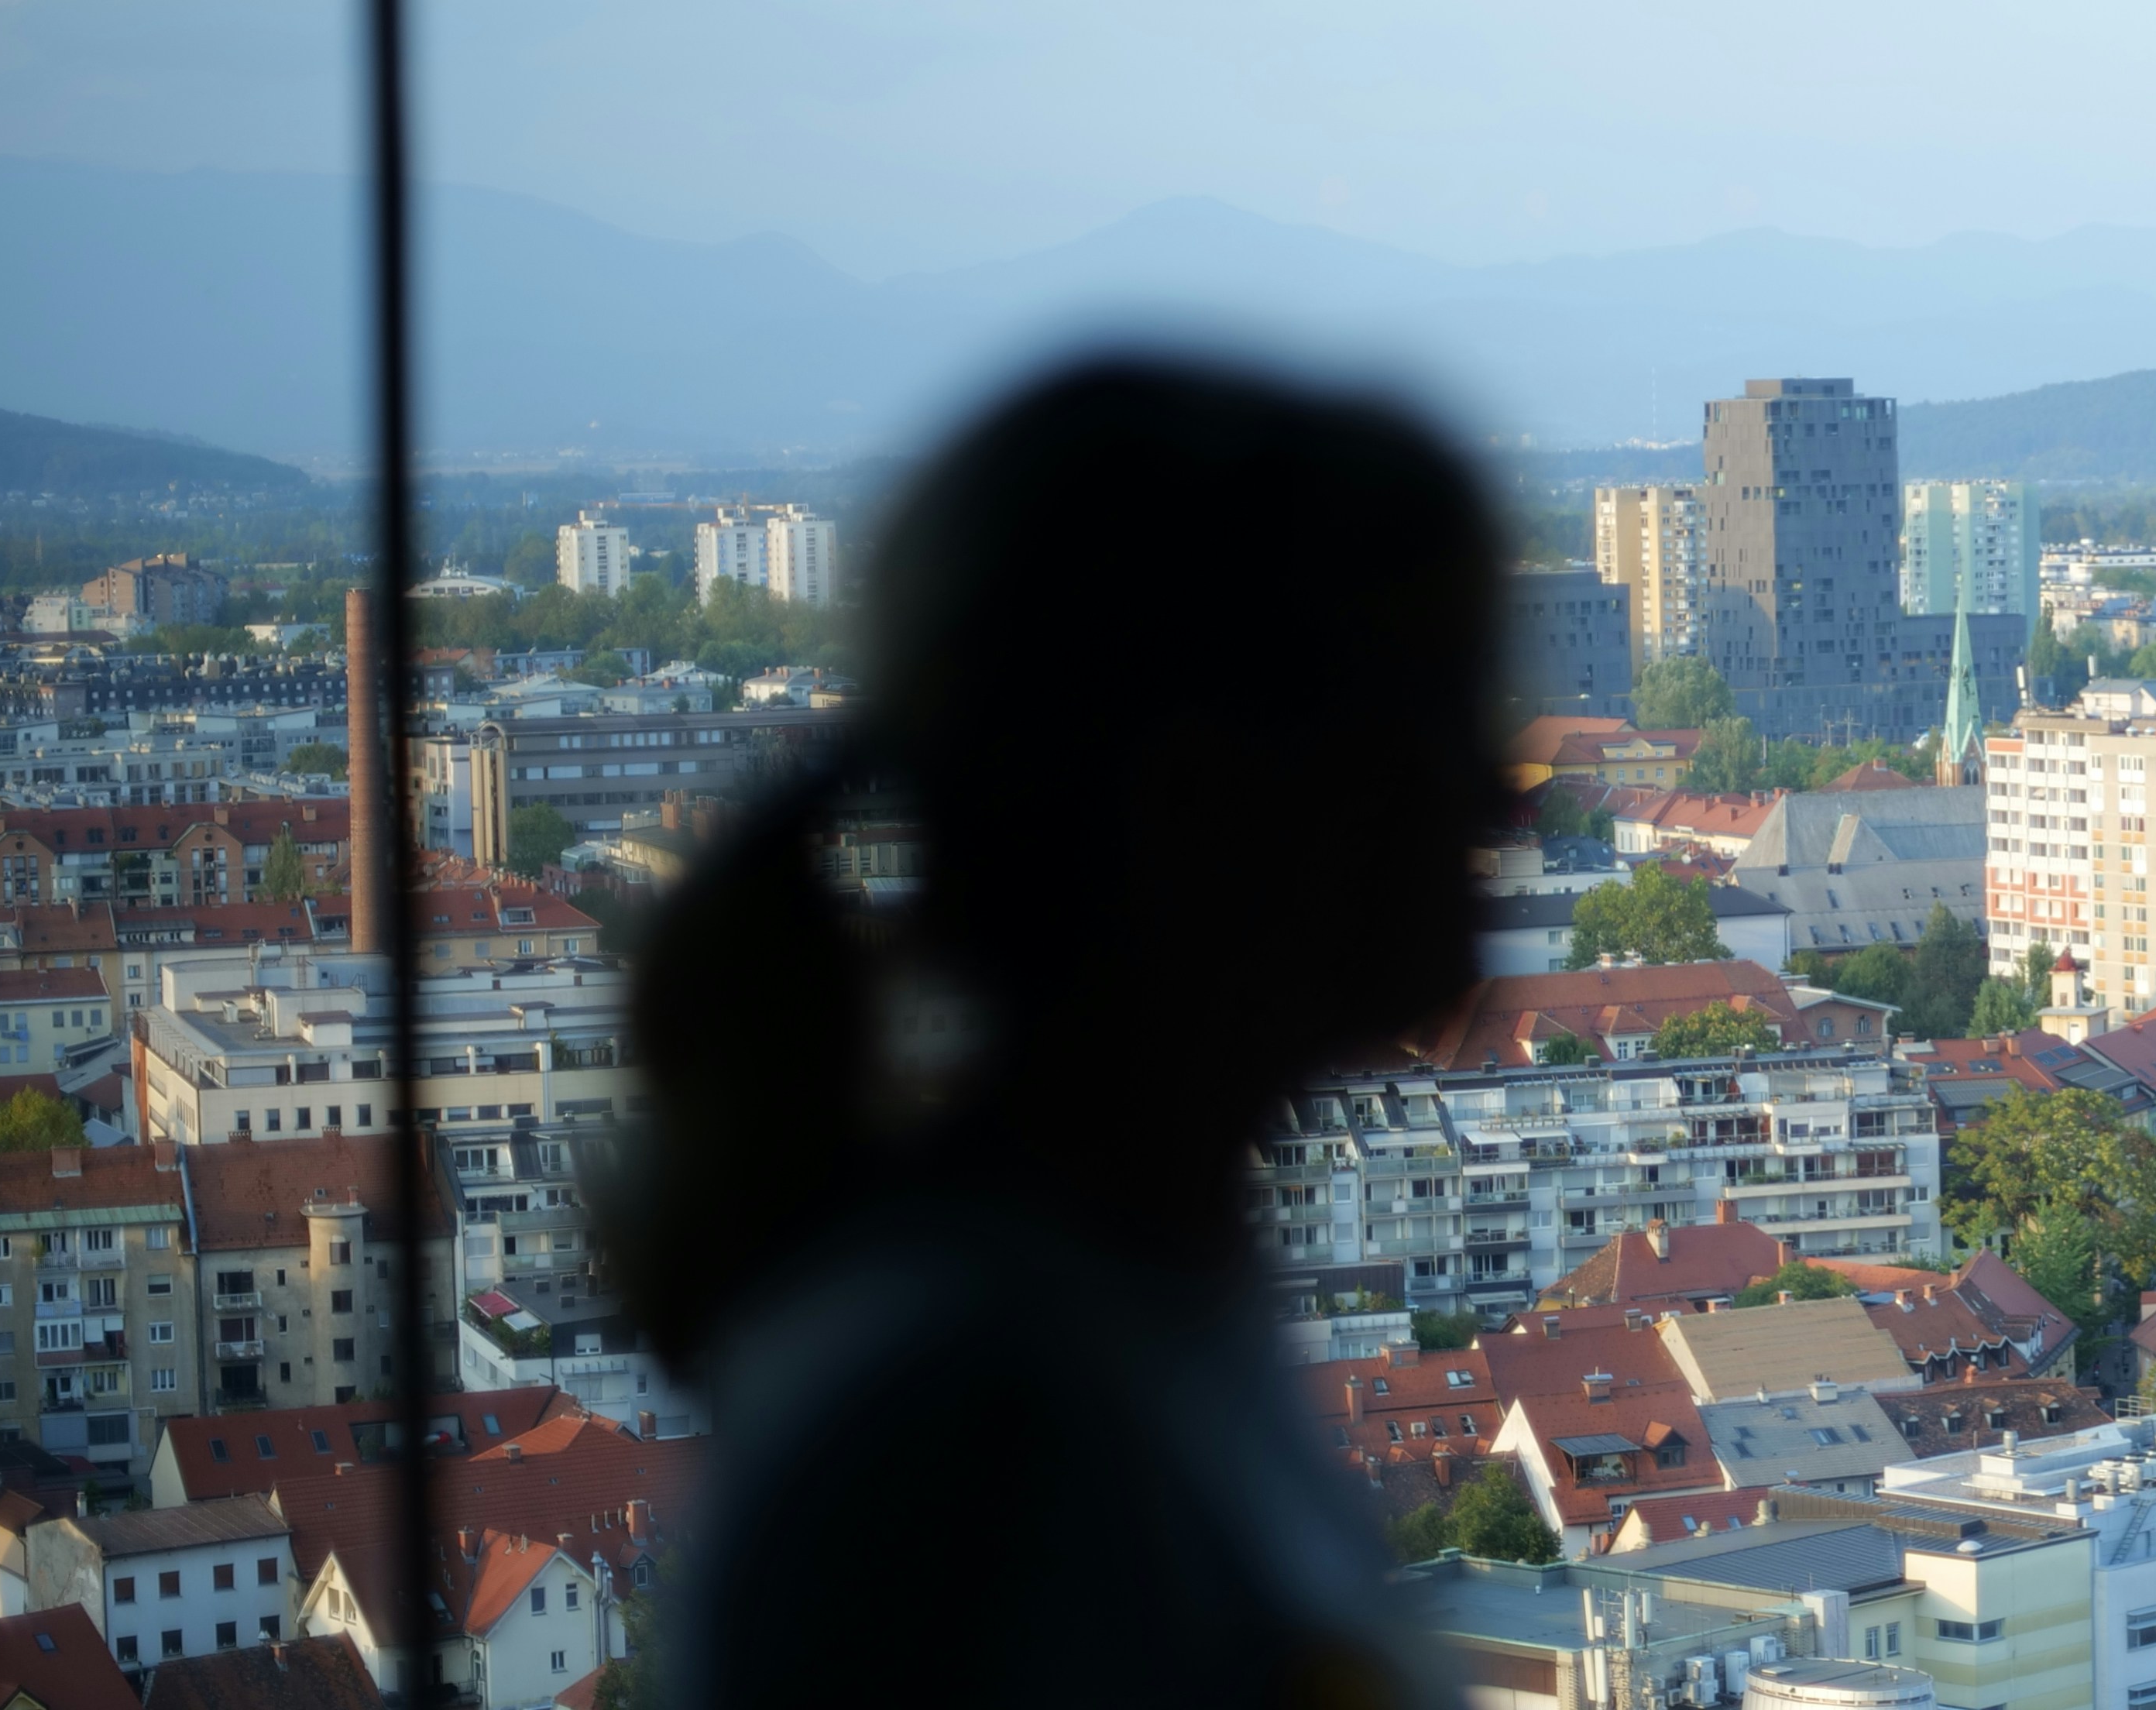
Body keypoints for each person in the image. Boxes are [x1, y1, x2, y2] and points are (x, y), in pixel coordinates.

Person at [624, 357, 1503, 1708]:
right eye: (1440, 713)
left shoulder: (1116, 1307)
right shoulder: (967, 1438)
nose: (1507, 798)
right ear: (1199, 791)